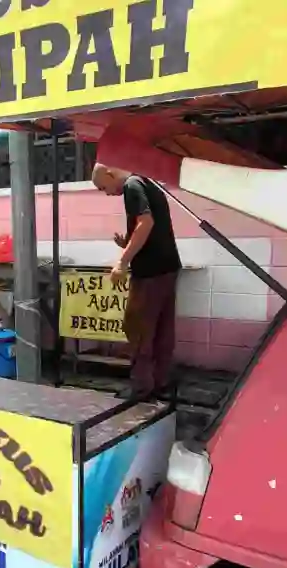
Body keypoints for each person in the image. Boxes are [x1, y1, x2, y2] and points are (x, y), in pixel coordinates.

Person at [91, 164, 182, 400]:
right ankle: (161, 382)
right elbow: (154, 228)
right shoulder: (147, 181)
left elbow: (146, 223)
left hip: (150, 271)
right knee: (163, 329)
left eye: (103, 187)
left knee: (138, 327)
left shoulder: (132, 186)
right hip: (168, 266)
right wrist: (128, 243)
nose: (106, 193)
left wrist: (122, 261)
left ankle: (141, 387)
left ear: (110, 174)